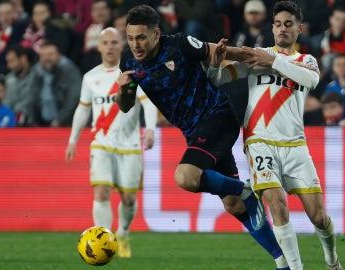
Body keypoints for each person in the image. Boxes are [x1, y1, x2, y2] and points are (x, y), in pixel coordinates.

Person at [116, 5, 289, 270]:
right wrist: (124, 90)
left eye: (141, 37)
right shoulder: (128, 61)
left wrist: (272, 59)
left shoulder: (180, 45)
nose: (135, 45)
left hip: (217, 116)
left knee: (185, 177)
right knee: (233, 206)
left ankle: (246, 190)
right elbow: (126, 105)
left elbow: (224, 52)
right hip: (193, 132)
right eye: (130, 38)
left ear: (156, 34)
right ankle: (283, 261)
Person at [206, 1, 343, 269]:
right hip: (259, 141)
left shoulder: (306, 61)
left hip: (295, 145)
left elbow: (312, 81)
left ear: (299, 29)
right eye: (278, 24)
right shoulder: (257, 56)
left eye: (288, 24)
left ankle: (332, 259)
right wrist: (214, 64)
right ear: (272, 27)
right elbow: (218, 79)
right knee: (276, 202)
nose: (282, 29)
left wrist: (275, 61)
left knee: (318, 217)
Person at [66, 27, 157, 258]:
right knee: (102, 193)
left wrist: (150, 130)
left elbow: (148, 103)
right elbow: (82, 109)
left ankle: (123, 232)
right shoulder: (91, 77)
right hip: (101, 143)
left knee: (128, 198)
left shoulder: (134, 73)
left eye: (114, 42)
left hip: (130, 145)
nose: (109, 46)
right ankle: (105, 240)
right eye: (105, 42)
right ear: (99, 46)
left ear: (121, 46)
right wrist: (73, 139)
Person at [31, 41, 81, 127]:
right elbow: (32, 98)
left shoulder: (69, 71)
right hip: (43, 124)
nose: (47, 58)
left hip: (65, 124)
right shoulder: (36, 72)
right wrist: (34, 121)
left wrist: (59, 121)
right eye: (43, 55)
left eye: (50, 54)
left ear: (59, 55)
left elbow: (73, 99)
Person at [3, 44, 37, 126]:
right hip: (11, 123)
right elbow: (6, 102)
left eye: (12, 61)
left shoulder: (37, 75)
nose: (9, 66)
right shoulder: (8, 79)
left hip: (34, 123)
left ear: (23, 59)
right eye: (8, 62)